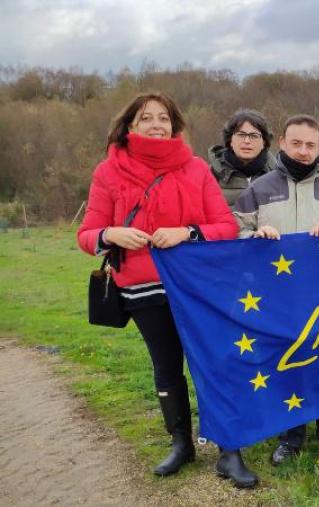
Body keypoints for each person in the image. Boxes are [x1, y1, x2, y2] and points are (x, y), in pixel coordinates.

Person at [76, 92, 258, 488]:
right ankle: (181, 443)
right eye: (147, 118)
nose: (157, 124)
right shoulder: (108, 172)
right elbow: (86, 235)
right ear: (129, 126)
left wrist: (187, 233)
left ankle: (230, 451)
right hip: (141, 287)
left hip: (197, 287)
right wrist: (110, 233)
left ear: (175, 126)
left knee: (213, 364)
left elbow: (224, 226)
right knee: (166, 366)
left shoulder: (195, 169)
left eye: (164, 118)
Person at [234, 114, 319, 466]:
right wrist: (255, 238)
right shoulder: (258, 190)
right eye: (296, 143)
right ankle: (290, 439)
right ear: (282, 142)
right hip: (277, 302)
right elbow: (232, 238)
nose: (303, 150)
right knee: (287, 368)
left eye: (310, 145)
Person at [208, 108, 277, 207]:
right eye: (241, 135)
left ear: (264, 142)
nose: (247, 141)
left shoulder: (279, 175)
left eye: (254, 136)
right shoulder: (210, 175)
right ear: (230, 140)